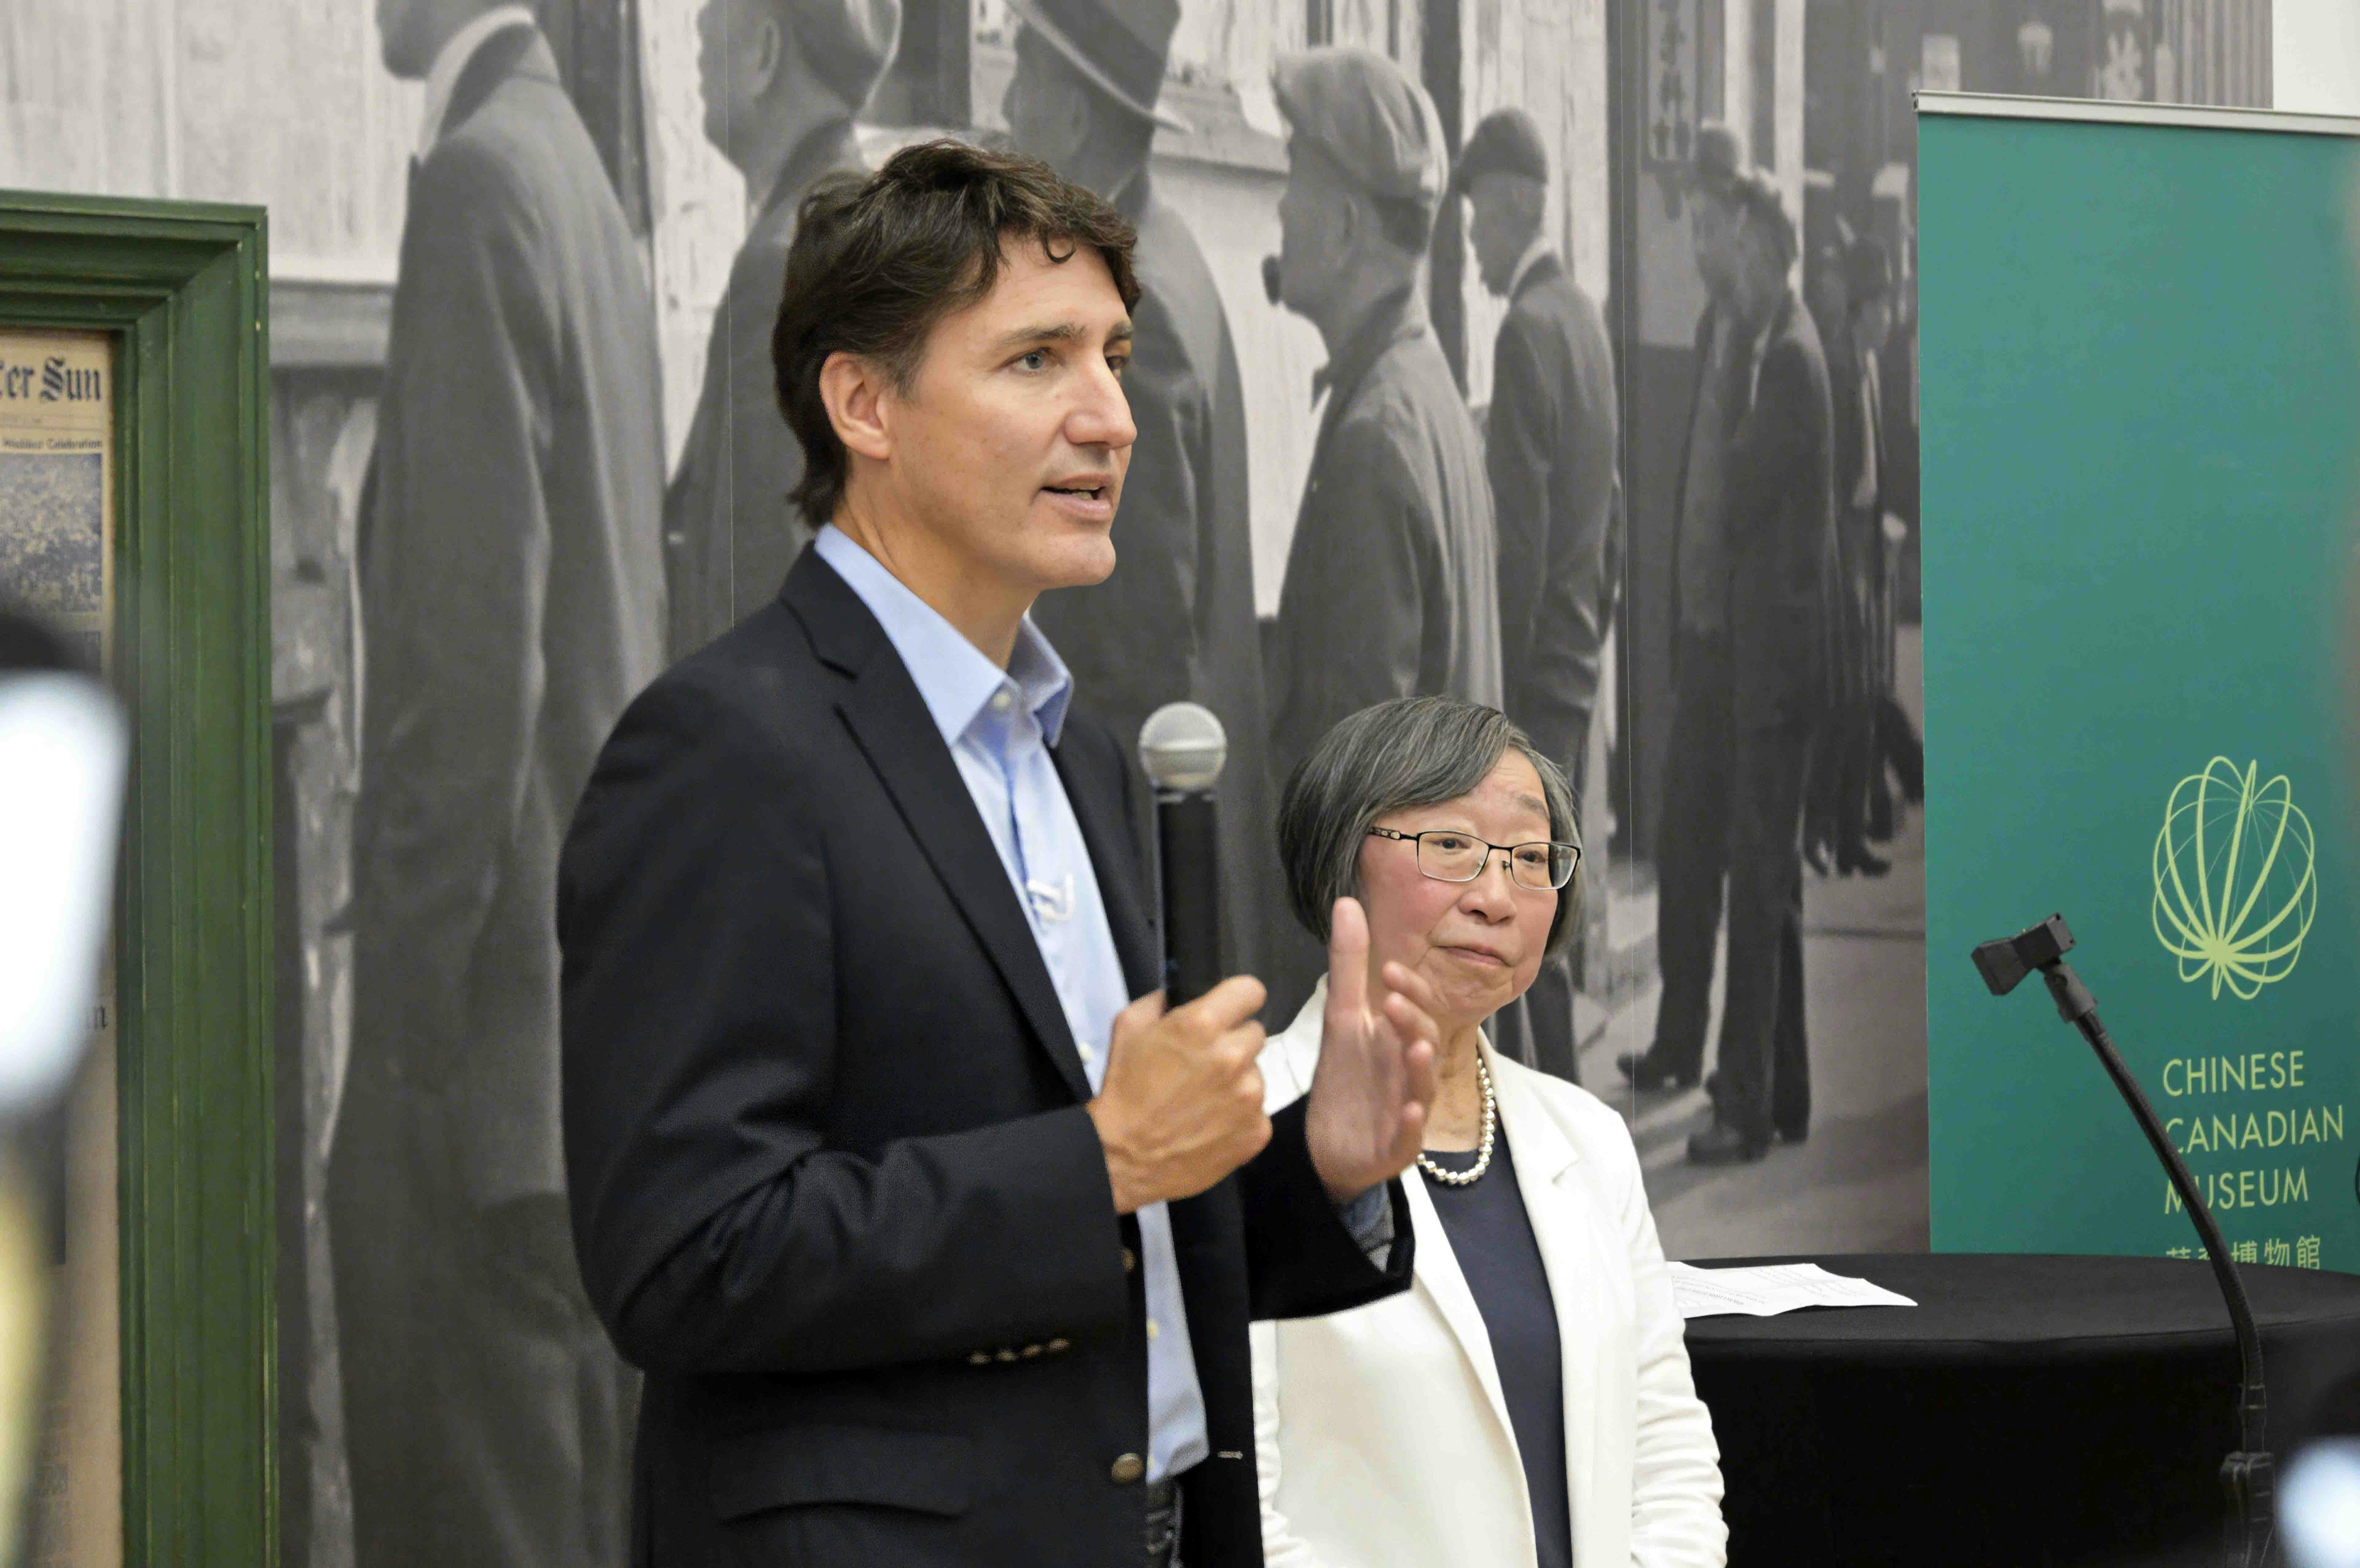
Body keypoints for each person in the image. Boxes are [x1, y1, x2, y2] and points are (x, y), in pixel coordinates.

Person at [559, 139, 1447, 1568]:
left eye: (1111, 353)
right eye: (1035, 360)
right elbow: (682, 1257)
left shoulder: (1082, 753)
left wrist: (1316, 1170)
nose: (1109, 416)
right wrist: (1099, 1152)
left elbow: (1135, 1236)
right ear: (863, 402)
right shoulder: (724, 751)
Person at [335, 2, 662, 1564]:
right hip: (581, 1042)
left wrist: (394, 1045)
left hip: (477, 1079)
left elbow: (467, 677)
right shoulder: (582, 184)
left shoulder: (479, 181)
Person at [1249, 696, 1726, 1568]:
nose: (1498, 897)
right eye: (1452, 847)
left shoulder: (1587, 1136)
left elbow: (1666, 1450)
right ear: (1338, 858)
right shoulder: (1242, 1125)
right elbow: (1239, 1505)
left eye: (1533, 858)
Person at [1000, 0, 1281, 982]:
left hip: (1144, 874)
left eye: (1024, 73)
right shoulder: (1161, 259)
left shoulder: (1129, 319)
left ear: (1072, 121)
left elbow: (1131, 661)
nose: (1004, 102)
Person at [1263, 46, 1503, 1021]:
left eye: (1292, 182)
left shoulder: (1374, 439)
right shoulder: (1423, 388)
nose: (1278, 210)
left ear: (1347, 223)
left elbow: (1364, 809)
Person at [1624, 169, 1836, 1166]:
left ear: (1765, 249)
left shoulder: (1784, 359)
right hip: (1732, 653)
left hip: (1774, 670)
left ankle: (1746, 1101)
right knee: (1746, 871)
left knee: (1758, 885)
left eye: (1724, 242)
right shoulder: (1744, 342)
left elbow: (1734, 492)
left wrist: (1723, 379)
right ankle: (1781, 1089)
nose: (1713, 261)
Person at [1453, 106, 1619, 1084]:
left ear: (1514, 206)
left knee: (1525, 924)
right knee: (1546, 903)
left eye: (1478, 216)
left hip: (1534, 671)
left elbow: (1521, 541)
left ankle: (1558, 1116)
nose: (1471, 239)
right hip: (1578, 655)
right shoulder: (1586, 319)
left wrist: (1491, 698)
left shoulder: (1525, 330)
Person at [664, 0, 902, 660]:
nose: (699, 26)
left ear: (765, 53)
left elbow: (764, 578)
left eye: (718, 7)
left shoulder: (784, 264)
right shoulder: (871, 229)